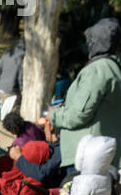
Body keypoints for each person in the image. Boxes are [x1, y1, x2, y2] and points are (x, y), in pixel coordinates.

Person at [50, 19, 121, 173]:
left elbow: (79, 114)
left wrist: (53, 115)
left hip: (87, 157)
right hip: (102, 154)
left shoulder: (97, 70)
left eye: (91, 40)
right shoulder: (114, 67)